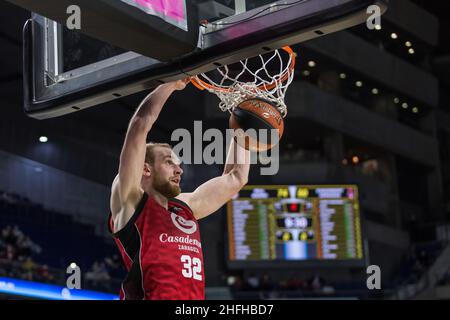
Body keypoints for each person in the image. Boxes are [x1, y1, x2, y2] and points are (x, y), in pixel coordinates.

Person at [108, 79, 250, 300]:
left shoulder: (186, 207)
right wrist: (171, 83)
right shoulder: (131, 202)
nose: (179, 170)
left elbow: (236, 177)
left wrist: (244, 121)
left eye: (178, 163)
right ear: (145, 169)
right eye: (169, 162)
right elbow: (140, 124)